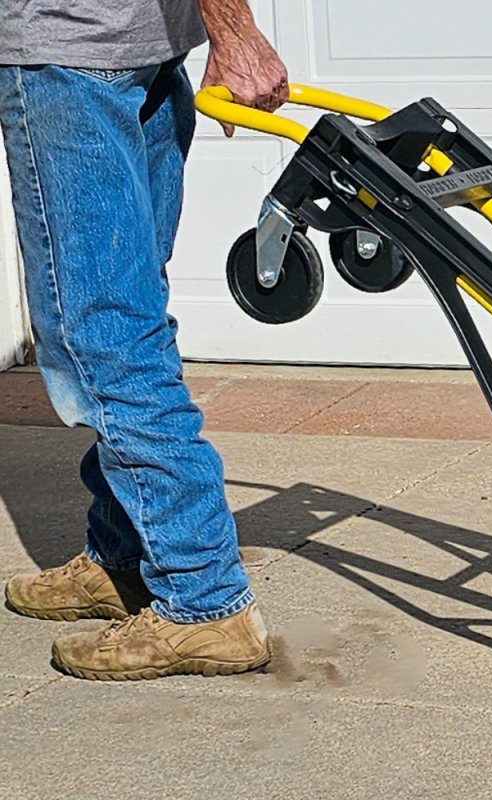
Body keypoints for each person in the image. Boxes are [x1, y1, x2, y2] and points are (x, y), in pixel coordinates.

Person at [0, 1, 287, 680]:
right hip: (137, 51)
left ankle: (204, 598)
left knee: (99, 335)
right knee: (127, 317)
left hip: (67, 55)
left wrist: (236, 33)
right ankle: (124, 556)